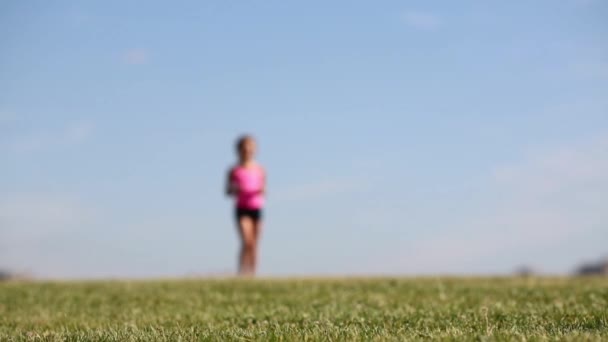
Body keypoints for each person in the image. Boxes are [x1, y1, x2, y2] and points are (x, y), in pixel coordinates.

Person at [225, 135, 266, 276]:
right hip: (242, 208)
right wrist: (236, 190)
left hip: (257, 208)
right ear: (239, 150)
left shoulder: (260, 169)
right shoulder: (234, 170)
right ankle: (242, 271)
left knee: (254, 243)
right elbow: (228, 191)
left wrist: (261, 191)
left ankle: (253, 273)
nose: (248, 151)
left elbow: (264, 189)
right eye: (245, 148)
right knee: (247, 240)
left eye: (251, 148)